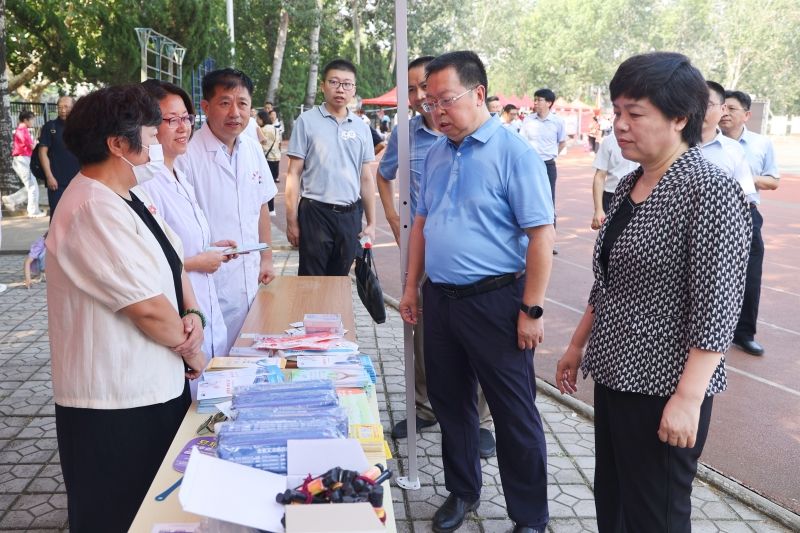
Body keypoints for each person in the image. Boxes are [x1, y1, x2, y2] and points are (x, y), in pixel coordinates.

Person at [555, 52, 751, 532]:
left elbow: (718, 308)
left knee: (655, 515)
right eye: (616, 111)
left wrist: (688, 399)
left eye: (635, 113)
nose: (620, 125)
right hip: (615, 374)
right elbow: (609, 280)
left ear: (680, 118)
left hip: (664, 387)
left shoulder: (709, 190)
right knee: (614, 501)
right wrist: (577, 345)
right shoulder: (629, 184)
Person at [399, 51, 554, 533]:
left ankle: (529, 515)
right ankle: (462, 491)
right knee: (450, 402)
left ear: (479, 93)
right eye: (429, 103)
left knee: (513, 413)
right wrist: (411, 288)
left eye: (445, 100)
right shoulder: (438, 152)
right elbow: (421, 223)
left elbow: (541, 235)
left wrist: (531, 309)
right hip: (440, 301)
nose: (436, 111)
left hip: (497, 302)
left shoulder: (514, 154)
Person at [46, 84, 207, 532]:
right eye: (152, 133)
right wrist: (193, 350)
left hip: (155, 385)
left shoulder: (130, 194)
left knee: (156, 510)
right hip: (115, 403)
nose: (159, 141)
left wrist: (194, 316)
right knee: (119, 514)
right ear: (118, 144)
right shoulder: (91, 208)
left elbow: (173, 261)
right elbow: (147, 309)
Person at [376, 55, 496, 455]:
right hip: (422, 249)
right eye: (411, 90)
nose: (418, 97)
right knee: (423, 333)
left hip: (473, 259)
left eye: (424, 89)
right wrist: (394, 218)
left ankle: (480, 419)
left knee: (477, 339)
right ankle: (425, 407)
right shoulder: (406, 134)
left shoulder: (473, 138)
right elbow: (384, 175)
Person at [176, 68, 278, 353]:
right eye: (225, 103)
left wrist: (267, 258)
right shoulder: (187, 156)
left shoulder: (252, 148)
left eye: (242, 103)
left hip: (251, 276)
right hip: (209, 280)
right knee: (214, 358)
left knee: (250, 352)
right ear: (206, 107)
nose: (235, 112)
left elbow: (261, 205)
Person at [139, 79, 237, 371]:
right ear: (146, 127)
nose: (183, 128)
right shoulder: (146, 184)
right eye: (171, 120)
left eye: (186, 118)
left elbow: (180, 242)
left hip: (204, 311)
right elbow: (148, 263)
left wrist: (210, 249)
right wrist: (198, 262)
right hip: (178, 322)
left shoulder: (178, 175)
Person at [285, 58, 376, 275]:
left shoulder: (362, 128)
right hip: (315, 213)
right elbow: (294, 173)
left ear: (354, 89)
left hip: (350, 216)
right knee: (311, 280)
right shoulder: (306, 121)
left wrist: (372, 223)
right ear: (323, 86)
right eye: (334, 82)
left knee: (341, 278)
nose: (340, 89)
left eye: (347, 84)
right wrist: (291, 221)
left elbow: (365, 177)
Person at [719, 90, 780, 357]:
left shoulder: (761, 144)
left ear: (746, 115)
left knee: (751, 274)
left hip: (747, 213)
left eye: (732, 109)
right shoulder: (706, 141)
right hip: (714, 213)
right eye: (722, 108)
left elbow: (773, 181)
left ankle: (744, 334)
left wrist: (744, 176)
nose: (725, 113)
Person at [518, 88, 565, 253]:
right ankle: (525, 242)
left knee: (549, 202)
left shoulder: (557, 122)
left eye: (539, 100)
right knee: (526, 200)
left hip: (548, 165)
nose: (536, 103)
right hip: (530, 165)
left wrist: (552, 155)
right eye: (535, 99)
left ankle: (549, 243)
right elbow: (521, 141)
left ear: (549, 103)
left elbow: (562, 142)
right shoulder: (528, 120)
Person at [700, 81, 757, 205]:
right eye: (693, 103)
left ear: (722, 109)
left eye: (708, 104)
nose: (699, 109)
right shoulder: (672, 146)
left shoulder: (734, 149)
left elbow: (746, 198)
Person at [39, 95, 80, 218]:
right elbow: (42, 152)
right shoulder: (50, 127)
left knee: (78, 217)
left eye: (66, 107)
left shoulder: (81, 127)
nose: (63, 110)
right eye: (60, 107)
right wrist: (49, 176)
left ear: (74, 108)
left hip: (79, 181)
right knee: (57, 216)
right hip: (56, 182)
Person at [590, 131, 639, 230]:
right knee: (609, 235)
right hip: (611, 197)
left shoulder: (647, 140)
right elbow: (600, 176)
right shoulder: (609, 141)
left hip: (640, 196)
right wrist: (598, 209)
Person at [9, 110, 45, 217]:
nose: (33, 121)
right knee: (32, 186)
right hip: (22, 160)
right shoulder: (22, 130)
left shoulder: (21, 130)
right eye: (32, 119)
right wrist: (36, 141)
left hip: (22, 160)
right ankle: (33, 212)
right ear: (26, 120)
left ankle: (11, 199)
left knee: (31, 186)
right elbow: (32, 147)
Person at [256, 109, 279, 215]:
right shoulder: (275, 128)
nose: (257, 121)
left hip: (267, 158)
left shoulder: (262, 129)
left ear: (262, 119)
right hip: (276, 158)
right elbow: (278, 142)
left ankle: (269, 208)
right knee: (272, 182)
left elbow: (259, 142)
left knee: (265, 183)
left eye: (258, 118)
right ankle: (272, 209)